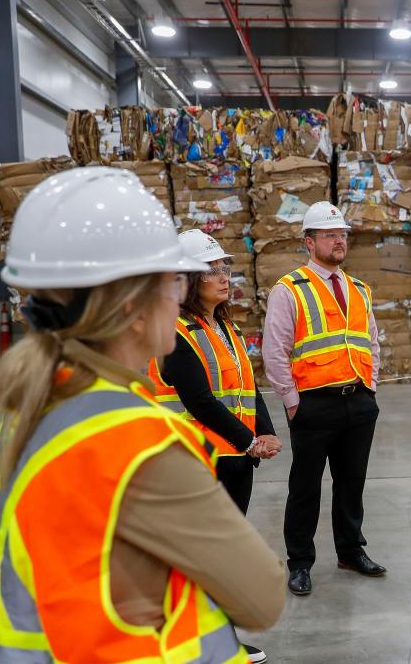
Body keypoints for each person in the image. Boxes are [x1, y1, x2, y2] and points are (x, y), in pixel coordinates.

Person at [0, 167, 286, 663]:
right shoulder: (139, 441)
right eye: (172, 281)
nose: (179, 294)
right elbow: (263, 596)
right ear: (134, 306)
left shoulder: (23, 420)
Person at [148, 229, 283, 663]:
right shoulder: (175, 331)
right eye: (213, 270)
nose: (224, 277)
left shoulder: (225, 325)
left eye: (226, 268)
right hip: (199, 461)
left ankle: (208, 638)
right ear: (186, 280)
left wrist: (266, 431)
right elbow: (200, 401)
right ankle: (203, 641)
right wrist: (249, 443)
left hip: (234, 459)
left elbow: (248, 385)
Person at [263, 201, 384, 597]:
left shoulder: (359, 289)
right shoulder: (290, 289)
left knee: (352, 483)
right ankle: (300, 561)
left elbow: (371, 343)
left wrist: (372, 388)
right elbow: (275, 351)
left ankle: (351, 551)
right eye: (330, 235)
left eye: (343, 235)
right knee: (306, 487)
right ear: (309, 242)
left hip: (358, 402)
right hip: (313, 405)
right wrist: (292, 401)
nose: (339, 241)